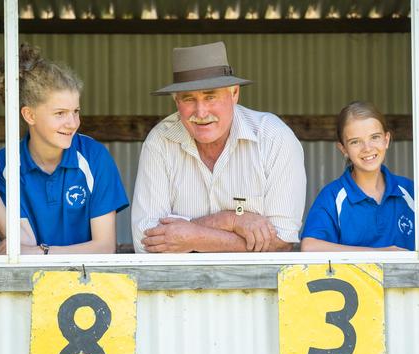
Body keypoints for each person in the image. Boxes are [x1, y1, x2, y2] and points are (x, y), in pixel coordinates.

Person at [131, 41, 306, 253]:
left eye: (210, 96)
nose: (201, 112)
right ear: (177, 102)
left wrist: (191, 237)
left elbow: (282, 240)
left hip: (255, 284)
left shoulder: (273, 137)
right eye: (188, 99)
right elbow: (147, 239)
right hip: (180, 284)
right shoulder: (160, 141)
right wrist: (230, 220)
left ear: (234, 94)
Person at [0, 43, 128, 255]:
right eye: (60, 113)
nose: (72, 123)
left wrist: (42, 252)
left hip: (88, 281)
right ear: (29, 115)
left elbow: (105, 247)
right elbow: (21, 243)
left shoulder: (94, 157)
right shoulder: (5, 166)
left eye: (76, 111)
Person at [300, 101, 419, 252]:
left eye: (375, 137)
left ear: (386, 140)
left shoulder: (410, 192)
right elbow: (310, 246)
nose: (367, 148)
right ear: (343, 149)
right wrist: (379, 255)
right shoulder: (334, 196)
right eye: (355, 141)